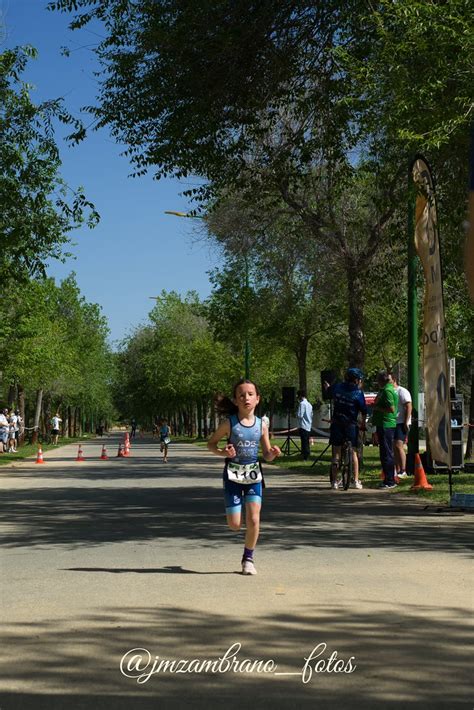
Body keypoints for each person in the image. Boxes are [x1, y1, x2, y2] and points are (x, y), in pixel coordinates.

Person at [207, 378, 281, 576]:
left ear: (258, 399)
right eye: (241, 395)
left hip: (253, 476)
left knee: (254, 519)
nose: (246, 398)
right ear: (235, 400)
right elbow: (211, 444)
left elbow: (266, 455)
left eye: (250, 394)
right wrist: (224, 452)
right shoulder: (229, 424)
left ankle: (248, 558)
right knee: (234, 525)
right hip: (232, 477)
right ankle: (234, 518)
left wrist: (272, 454)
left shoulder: (261, 426)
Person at [325, 368, 367, 490]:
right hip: (351, 425)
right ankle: (356, 480)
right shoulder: (358, 393)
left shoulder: (338, 387)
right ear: (357, 380)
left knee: (336, 453)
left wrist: (327, 387)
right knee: (353, 452)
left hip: (337, 423)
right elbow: (364, 411)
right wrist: (363, 424)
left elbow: (329, 391)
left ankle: (334, 482)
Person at [372, 371, 399, 488]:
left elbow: (392, 409)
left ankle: (390, 480)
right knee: (384, 453)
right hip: (382, 424)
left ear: (381, 380)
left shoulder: (388, 391)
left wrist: (378, 408)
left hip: (386, 424)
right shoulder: (383, 390)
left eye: (378, 380)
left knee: (387, 453)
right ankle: (387, 479)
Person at [391, 375, 412, 479]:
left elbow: (409, 406)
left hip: (401, 422)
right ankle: (397, 469)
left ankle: (403, 470)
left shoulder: (402, 391)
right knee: (393, 447)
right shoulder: (388, 391)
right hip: (392, 422)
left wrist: (406, 422)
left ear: (394, 380)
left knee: (399, 446)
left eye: (389, 380)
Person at [296, 389, 313, 460]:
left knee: (304, 442)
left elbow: (300, 415)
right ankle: (306, 453)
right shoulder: (309, 404)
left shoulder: (302, 404)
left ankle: (305, 456)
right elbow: (311, 415)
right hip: (308, 425)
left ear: (300, 396)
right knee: (306, 441)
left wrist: (296, 413)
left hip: (303, 425)